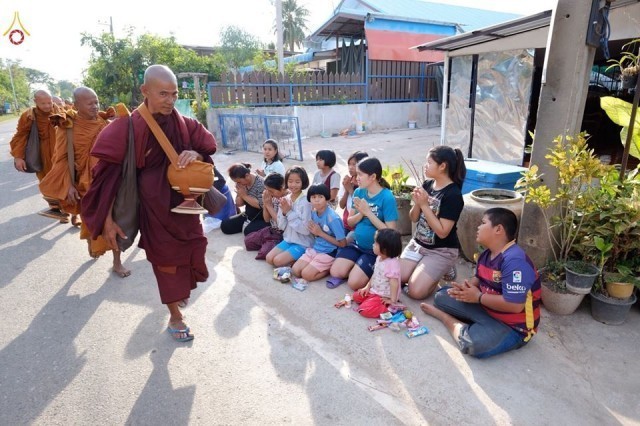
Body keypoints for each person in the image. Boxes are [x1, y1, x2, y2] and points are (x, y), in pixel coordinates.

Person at [81, 64, 217, 342]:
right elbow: (103, 180)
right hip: (153, 210)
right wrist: (107, 220)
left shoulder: (185, 123)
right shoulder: (127, 128)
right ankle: (175, 316)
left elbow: (206, 147)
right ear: (145, 91)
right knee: (166, 262)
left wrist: (196, 154)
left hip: (184, 207)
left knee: (193, 250)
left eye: (174, 94)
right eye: (163, 94)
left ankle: (178, 295)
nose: (170, 100)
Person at [421, 208, 541, 358]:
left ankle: (446, 319)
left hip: (514, 326)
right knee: (441, 296)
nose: (478, 227)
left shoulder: (515, 261)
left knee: (472, 344)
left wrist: (477, 297)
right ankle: (477, 325)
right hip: (486, 307)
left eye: (483, 223)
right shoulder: (486, 254)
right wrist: (464, 290)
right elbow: (477, 280)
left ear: (498, 229)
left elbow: (515, 305)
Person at [39, 87, 129, 277]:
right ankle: (92, 240)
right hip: (85, 184)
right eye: (90, 104)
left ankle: (117, 262)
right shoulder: (67, 127)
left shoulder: (104, 123)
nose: (95, 107)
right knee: (92, 220)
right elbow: (60, 158)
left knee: (114, 219)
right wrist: (68, 185)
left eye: (96, 102)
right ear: (77, 105)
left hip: (109, 182)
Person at [400, 146, 466, 299]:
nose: (425, 166)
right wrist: (417, 202)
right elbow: (414, 218)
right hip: (418, 244)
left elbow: (443, 232)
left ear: (442, 166)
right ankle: (424, 269)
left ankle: (444, 268)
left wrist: (424, 205)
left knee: (415, 292)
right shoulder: (427, 185)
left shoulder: (453, 195)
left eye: (429, 162)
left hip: (441, 250)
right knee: (397, 276)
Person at [328, 157, 398, 290]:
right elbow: (350, 221)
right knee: (335, 272)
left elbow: (391, 231)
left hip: (375, 250)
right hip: (357, 244)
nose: (356, 177)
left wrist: (368, 213)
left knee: (353, 284)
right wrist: (361, 214)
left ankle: (367, 269)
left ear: (372, 177)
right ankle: (359, 267)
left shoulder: (387, 197)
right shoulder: (359, 192)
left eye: (360, 174)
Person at [9, 89, 67, 221]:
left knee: (66, 181)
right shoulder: (28, 116)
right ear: (35, 102)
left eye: (49, 102)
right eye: (43, 103)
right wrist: (18, 157)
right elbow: (20, 135)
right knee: (46, 181)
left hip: (60, 152)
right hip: (41, 154)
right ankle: (56, 209)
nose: (47, 106)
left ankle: (69, 211)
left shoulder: (60, 112)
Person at [292, 184, 347, 282]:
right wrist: (316, 233)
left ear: (327, 199)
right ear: (310, 200)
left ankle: (327, 269)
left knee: (306, 275)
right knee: (296, 270)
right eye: (313, 197)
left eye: (320, 197)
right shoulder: (314, 213)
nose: (317, 200)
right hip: (316, 248)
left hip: (329, 251)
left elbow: (343, 244)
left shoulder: (332, 218)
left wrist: (320, 233)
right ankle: (315, 265)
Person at [266, 166, 314, 267]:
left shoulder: (306, 202)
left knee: (278, 261)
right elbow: (281, 226)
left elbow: (306, 230)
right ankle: (293, 259)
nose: (293, 185)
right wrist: (283, 213)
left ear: (303, 182)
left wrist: (288, 212)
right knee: (269, 259)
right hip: (288, 239)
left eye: (297, 182)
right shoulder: (285, 199)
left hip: (303, 242)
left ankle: (304, 257)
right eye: (290, 181)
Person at [352, 229, 402, 318]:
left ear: (385, 249)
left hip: (384, 296)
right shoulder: (379, 257)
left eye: (375, 243)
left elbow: (394, 283)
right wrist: (367, 287)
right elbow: (375, 274)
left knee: (363, 310)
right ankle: (371, 301)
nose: (373, 245)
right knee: (356, 296)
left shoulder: (392, 264)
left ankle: (391, 309)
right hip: (375, 290)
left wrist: (393, 300)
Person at [220, 163, 270, 235]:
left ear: (247, 175)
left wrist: (244, 196)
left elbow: (261, 205)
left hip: (262, 216)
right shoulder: (242, 184)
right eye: (236, 182)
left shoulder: (261, 184)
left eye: (239, 181)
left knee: (248, 232)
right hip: (248, 214)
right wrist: (240, 194)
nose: (238, 184)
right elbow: (239, 204)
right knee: (225, 225)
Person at [339, 151, 369, 233]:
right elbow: (341, 205)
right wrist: (346, 190)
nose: (350, 167)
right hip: (346, 224)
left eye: (354, 164)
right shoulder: (348, 181)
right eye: (349, 164)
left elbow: (360, 206)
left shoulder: (365, 184)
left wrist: (350, 190)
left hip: (358, 225)